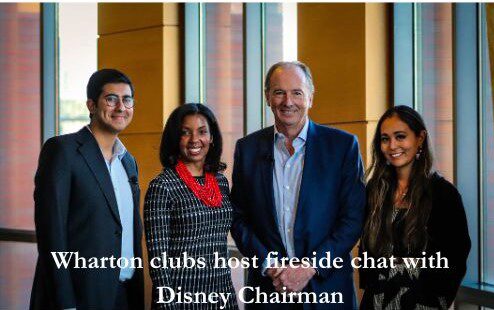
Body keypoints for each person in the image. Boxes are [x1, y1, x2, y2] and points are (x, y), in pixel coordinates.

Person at [231, 61, 366, 309]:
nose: (287, 101)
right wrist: (270, 264)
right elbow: (238, 218)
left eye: (297, 92)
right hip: (268, 293)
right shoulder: (247, 149)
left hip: (327, 291)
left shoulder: (343, 147)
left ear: (310, 98)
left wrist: (310, 267)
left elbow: (353, 218)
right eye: (279, 92)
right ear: (267, 98)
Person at [30, 69, 144, 309]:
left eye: (127, 99)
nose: (121, 107)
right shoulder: (62, 151)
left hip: (123, 295)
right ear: (91, 105)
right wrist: (65, 303)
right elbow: (52, 234)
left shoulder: (128, 161)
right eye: (111, 99)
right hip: (79, 298)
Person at [359, 106, 471, 309]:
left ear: (420, 138)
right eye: (385, 139)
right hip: (376, 301)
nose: (392, 145)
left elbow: (456, 256)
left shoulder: (444, 194)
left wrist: (434, 300)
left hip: (422, 302)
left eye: (400, 136)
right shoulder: (375, 190)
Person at [144, 103, 238, 310]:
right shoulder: (162, 186)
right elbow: (158, 260)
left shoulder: (220, 182)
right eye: (185, 133)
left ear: (212, 138)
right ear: (175, 139)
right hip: (181, 297)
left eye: (202, 132)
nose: (195, 140)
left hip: (222, 292)